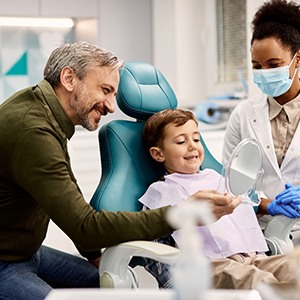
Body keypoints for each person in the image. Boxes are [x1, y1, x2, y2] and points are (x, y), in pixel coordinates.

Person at [0, 41, 241, 300]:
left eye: (114, 94)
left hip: (27, 252)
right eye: (105, 90)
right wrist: (182, 213)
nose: (111, 106)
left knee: (110, 287)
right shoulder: (33, 131)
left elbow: (67, 194)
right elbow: (85, 226)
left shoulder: (43, 110)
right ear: (69, 78)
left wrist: (94, 255)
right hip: (5, 261)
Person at [139, 108, 296, 289]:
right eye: (181, 141)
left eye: (196, 139)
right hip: (210, 265)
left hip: (253, 257)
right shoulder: (161, 192)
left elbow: (243, 200)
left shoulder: (215, 177)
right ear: (158, 154)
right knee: (258, 282)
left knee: (292, 268)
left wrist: (272, 205)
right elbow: (153, 241)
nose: (193, 146)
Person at [222, 0, 300, 231]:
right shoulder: (243, 114)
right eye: (257, 66)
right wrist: (268, 205)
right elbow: (230, 184)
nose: (265, 73)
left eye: (274, 64)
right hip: (258, 230)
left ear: (297, 59)